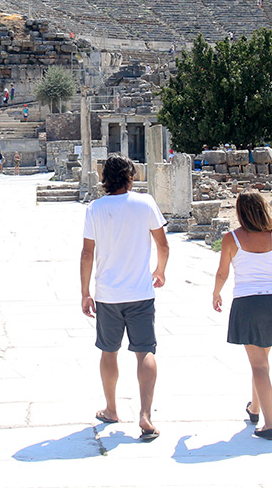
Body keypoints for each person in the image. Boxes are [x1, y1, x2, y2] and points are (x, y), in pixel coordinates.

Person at [80, 154, 168, 442]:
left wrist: (85, 292)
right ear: (130, 176)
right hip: (140, 292)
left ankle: (111, 408)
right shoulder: (145, 203)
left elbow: (87, 253)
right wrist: (160, 271)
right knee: (145, 351)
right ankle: (145, 414)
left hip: (108, 294)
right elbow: (163, 244)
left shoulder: (95, 208)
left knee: (109, 351)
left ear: (105, 178)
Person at [212, 191, 272, 441]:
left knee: (258, 364)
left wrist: (216, 294)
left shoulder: (232, 238)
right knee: (261, 360)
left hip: (247, 303)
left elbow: (222, 273)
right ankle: (255, 408)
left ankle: (269, 424)